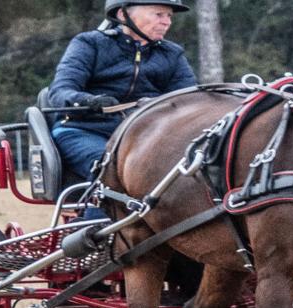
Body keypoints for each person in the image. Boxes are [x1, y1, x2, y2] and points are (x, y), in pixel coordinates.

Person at [40, 0, 197, 218]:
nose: (166, 22)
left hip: (145, 137)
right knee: (114, 169)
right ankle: (98, 237)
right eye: (159, 14)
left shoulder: (172, 54)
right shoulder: (89, 43)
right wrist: (89, 101)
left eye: (169, 16)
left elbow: (188, 100)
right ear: (123, 15)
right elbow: (61, 91)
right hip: (84, 131)